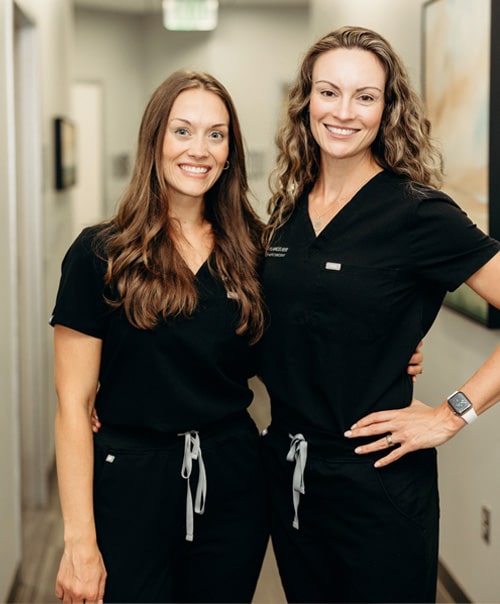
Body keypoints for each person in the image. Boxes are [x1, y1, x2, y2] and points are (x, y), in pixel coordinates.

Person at [258, 25, 500, 604]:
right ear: (306, 101)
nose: (343, 112)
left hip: (376, 482)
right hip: (290, 473)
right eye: (328, 92)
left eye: (365, 96)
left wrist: (451, 413)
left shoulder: (418, 213)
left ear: (387, 109)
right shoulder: (288, 212)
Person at [50, 70, 270, 604]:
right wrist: (79, 540)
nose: (200, 150)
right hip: (130, 479)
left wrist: (394, 354)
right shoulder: (101, 253)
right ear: (155, 139)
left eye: (217, 135)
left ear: (230, 150)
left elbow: (299, 350)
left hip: (232, 479)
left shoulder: (257, 251)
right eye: (183, 131)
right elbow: (73, 404)